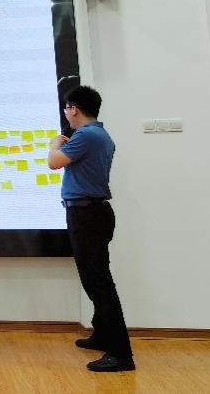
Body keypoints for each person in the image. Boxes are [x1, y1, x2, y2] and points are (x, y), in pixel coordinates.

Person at [48, 85, 135, 373]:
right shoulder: (100, 134)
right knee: (97, 278)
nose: (66, 113)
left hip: (87, 214)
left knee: (98, 283)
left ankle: (120, 353)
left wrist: (54, 144)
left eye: (67, 108)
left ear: (74, 109)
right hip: (94, 213)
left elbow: (53, 162)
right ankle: (103, 335)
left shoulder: (86, 135)